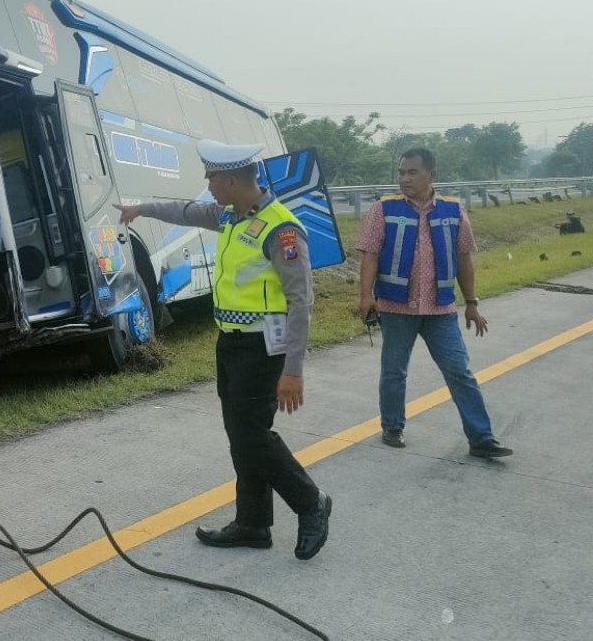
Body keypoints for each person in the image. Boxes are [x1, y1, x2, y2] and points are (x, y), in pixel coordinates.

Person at [115, 139, 331, 561]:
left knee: (252, 434)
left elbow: (301, 300)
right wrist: (140, 210)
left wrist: (294, 368)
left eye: (212, 178)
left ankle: (311, 504)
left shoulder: (280, 228)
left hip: (264, 348)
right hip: (231, 344)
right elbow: (184, 212)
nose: (209, 186)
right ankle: (253, 523)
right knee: (241, 435)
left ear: (230, 179)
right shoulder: (232, 217)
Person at [356, 147, 512, 458]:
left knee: (459, 371)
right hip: (396, 307)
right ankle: (392, 426)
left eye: (412, 172)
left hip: (440, 309)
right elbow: (370, 254)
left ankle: (481, 437)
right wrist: (366, 296)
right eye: (401, 173)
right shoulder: (383, 209)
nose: (405, 178)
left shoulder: (453, 210)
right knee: (394, 371)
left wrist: (471, 302)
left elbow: (464, 258)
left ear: (432, 175)